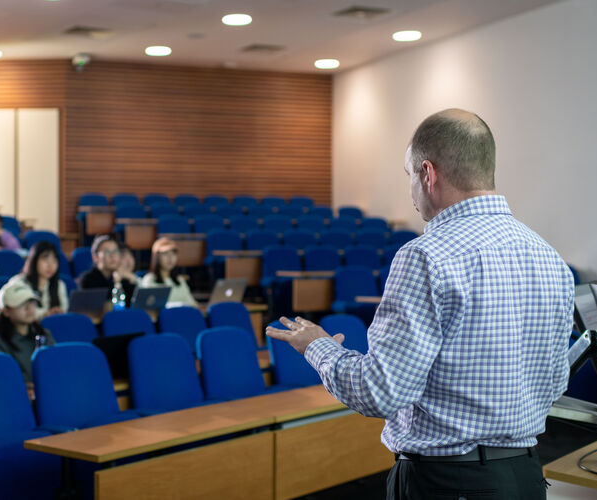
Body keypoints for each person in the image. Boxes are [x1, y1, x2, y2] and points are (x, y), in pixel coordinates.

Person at [266, 109, 573, 500]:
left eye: (409, 175)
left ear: (428, 175)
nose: (410, 189)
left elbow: (380, 392)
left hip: (448, 485)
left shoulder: (426, 256)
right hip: (526, 477)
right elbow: (554, 382)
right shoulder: (548, 256)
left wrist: (318, 346)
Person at [0, 284, 55, 384]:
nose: (29, 308)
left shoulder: (44, 334)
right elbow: (0, 378)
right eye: (21, 304)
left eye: (32, 302)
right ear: (6, 311)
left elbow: (54, 366)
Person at [5, 241, 68, 319]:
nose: (50, 265)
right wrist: (46, 314)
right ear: (34, 260)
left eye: (54, 260)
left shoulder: (60, 285)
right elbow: (17, 311)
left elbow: (64, 310)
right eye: (45, 259)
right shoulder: (19, 283)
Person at [78, 235, 136, 306]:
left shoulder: (123, 278)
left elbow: (133, 305)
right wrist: (116, 283)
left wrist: (132, 280)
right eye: (107, 252)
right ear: (95, 257)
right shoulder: (88, 280)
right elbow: (102, 306)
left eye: (115, 251)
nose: (112, 256)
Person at [140, 237, 197, 307]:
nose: (170, 257)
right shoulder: (149, 280)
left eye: (173, 253)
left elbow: (193, 305)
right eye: (165, 253)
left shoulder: (180, 281)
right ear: (157, 256)